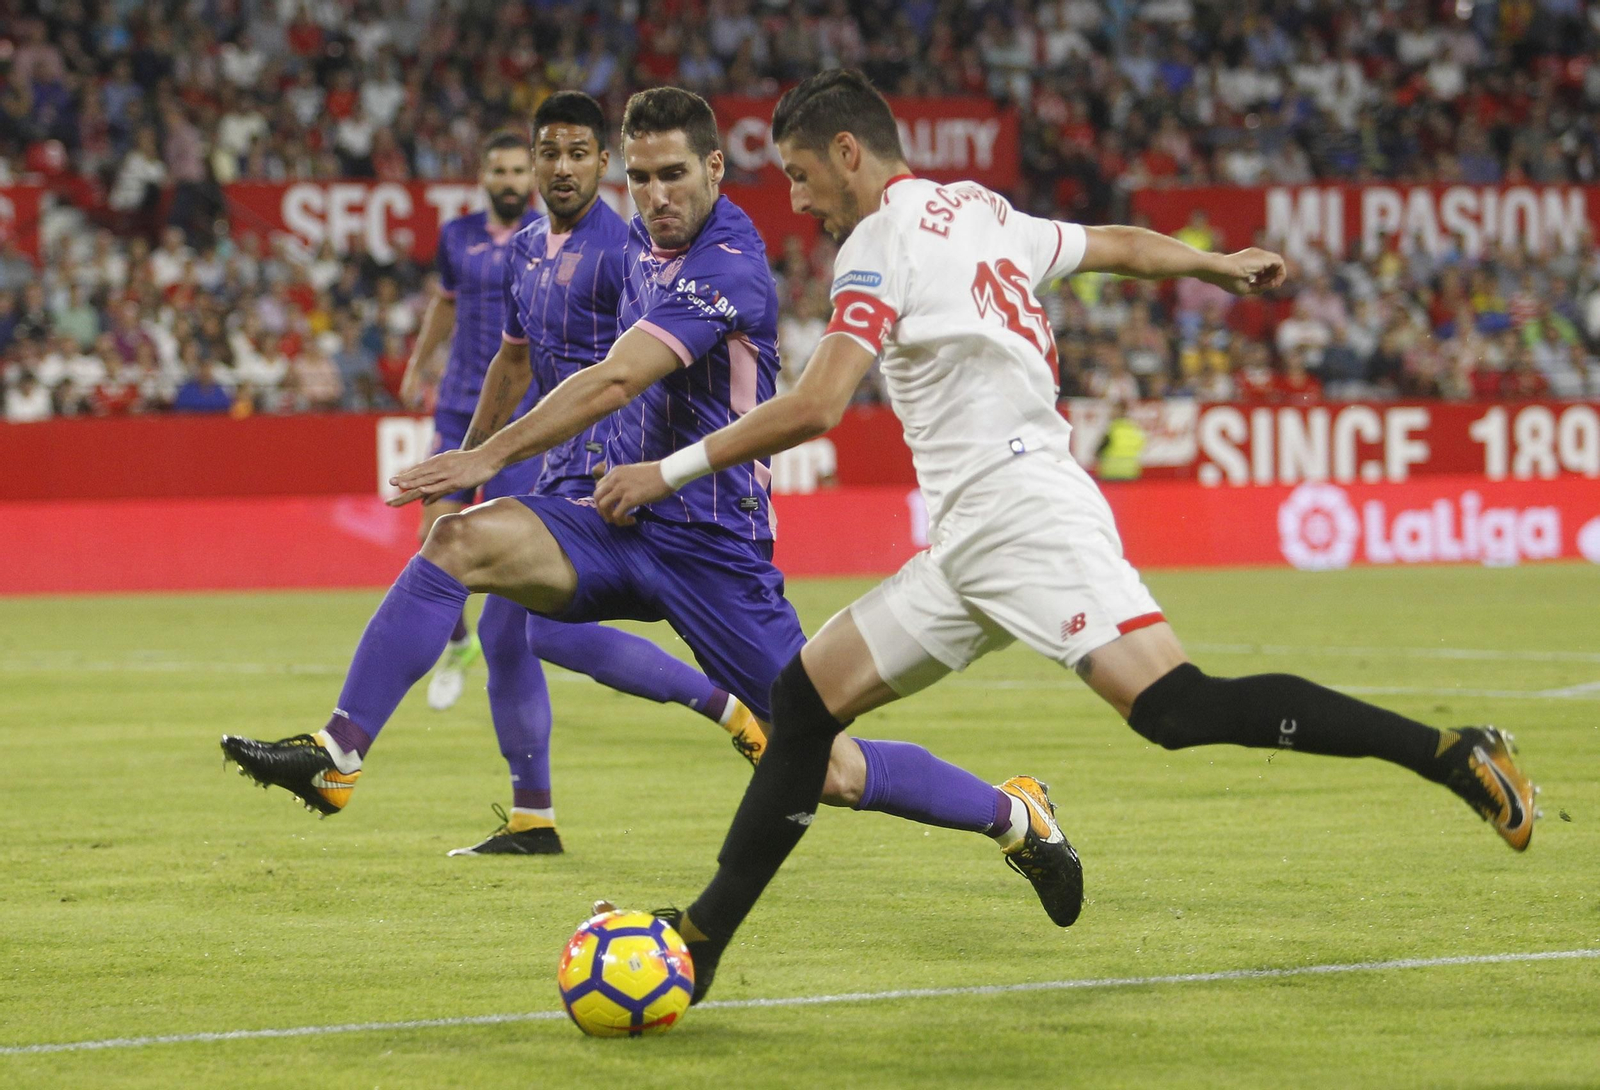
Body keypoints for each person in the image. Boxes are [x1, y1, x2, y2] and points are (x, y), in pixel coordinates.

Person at [589, 70, 1541, 1003]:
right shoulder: (981, 210)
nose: (796, 200)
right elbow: (1111, 243)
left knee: (1175, 709)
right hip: (968, 538)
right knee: (801, 706)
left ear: (848, 153)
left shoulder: (879, 239)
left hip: (1024, 513)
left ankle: (1452, 753)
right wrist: (1210, 263)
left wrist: (663, 472)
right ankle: (702, 941)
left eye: (799, 174)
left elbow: (819, 403)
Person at [224, 87, 1081, 917]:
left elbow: (620, 375)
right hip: (618, 522)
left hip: (713, 553)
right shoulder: (630, 246)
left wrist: (486, 451)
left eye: (673, 174)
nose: (655, 195)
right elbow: (542, 354)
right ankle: (339, 754)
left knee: (826, 767)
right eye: (638, 178)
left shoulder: (731, 266)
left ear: (715, 168)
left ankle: (1016, 817)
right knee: (456, 544)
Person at [224, 103, 765, 856]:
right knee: (507, 631)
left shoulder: (626, 247)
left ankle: (733, 710)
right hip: (544, 458)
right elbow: (513, 363)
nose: (563, 168)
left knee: (528, 624)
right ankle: (530, 817)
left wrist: (615, 454)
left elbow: (629, 372)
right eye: (550, 153)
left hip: (605, 467)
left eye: (580, 153)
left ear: (602, 164)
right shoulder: (527, 249)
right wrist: (469, 461)